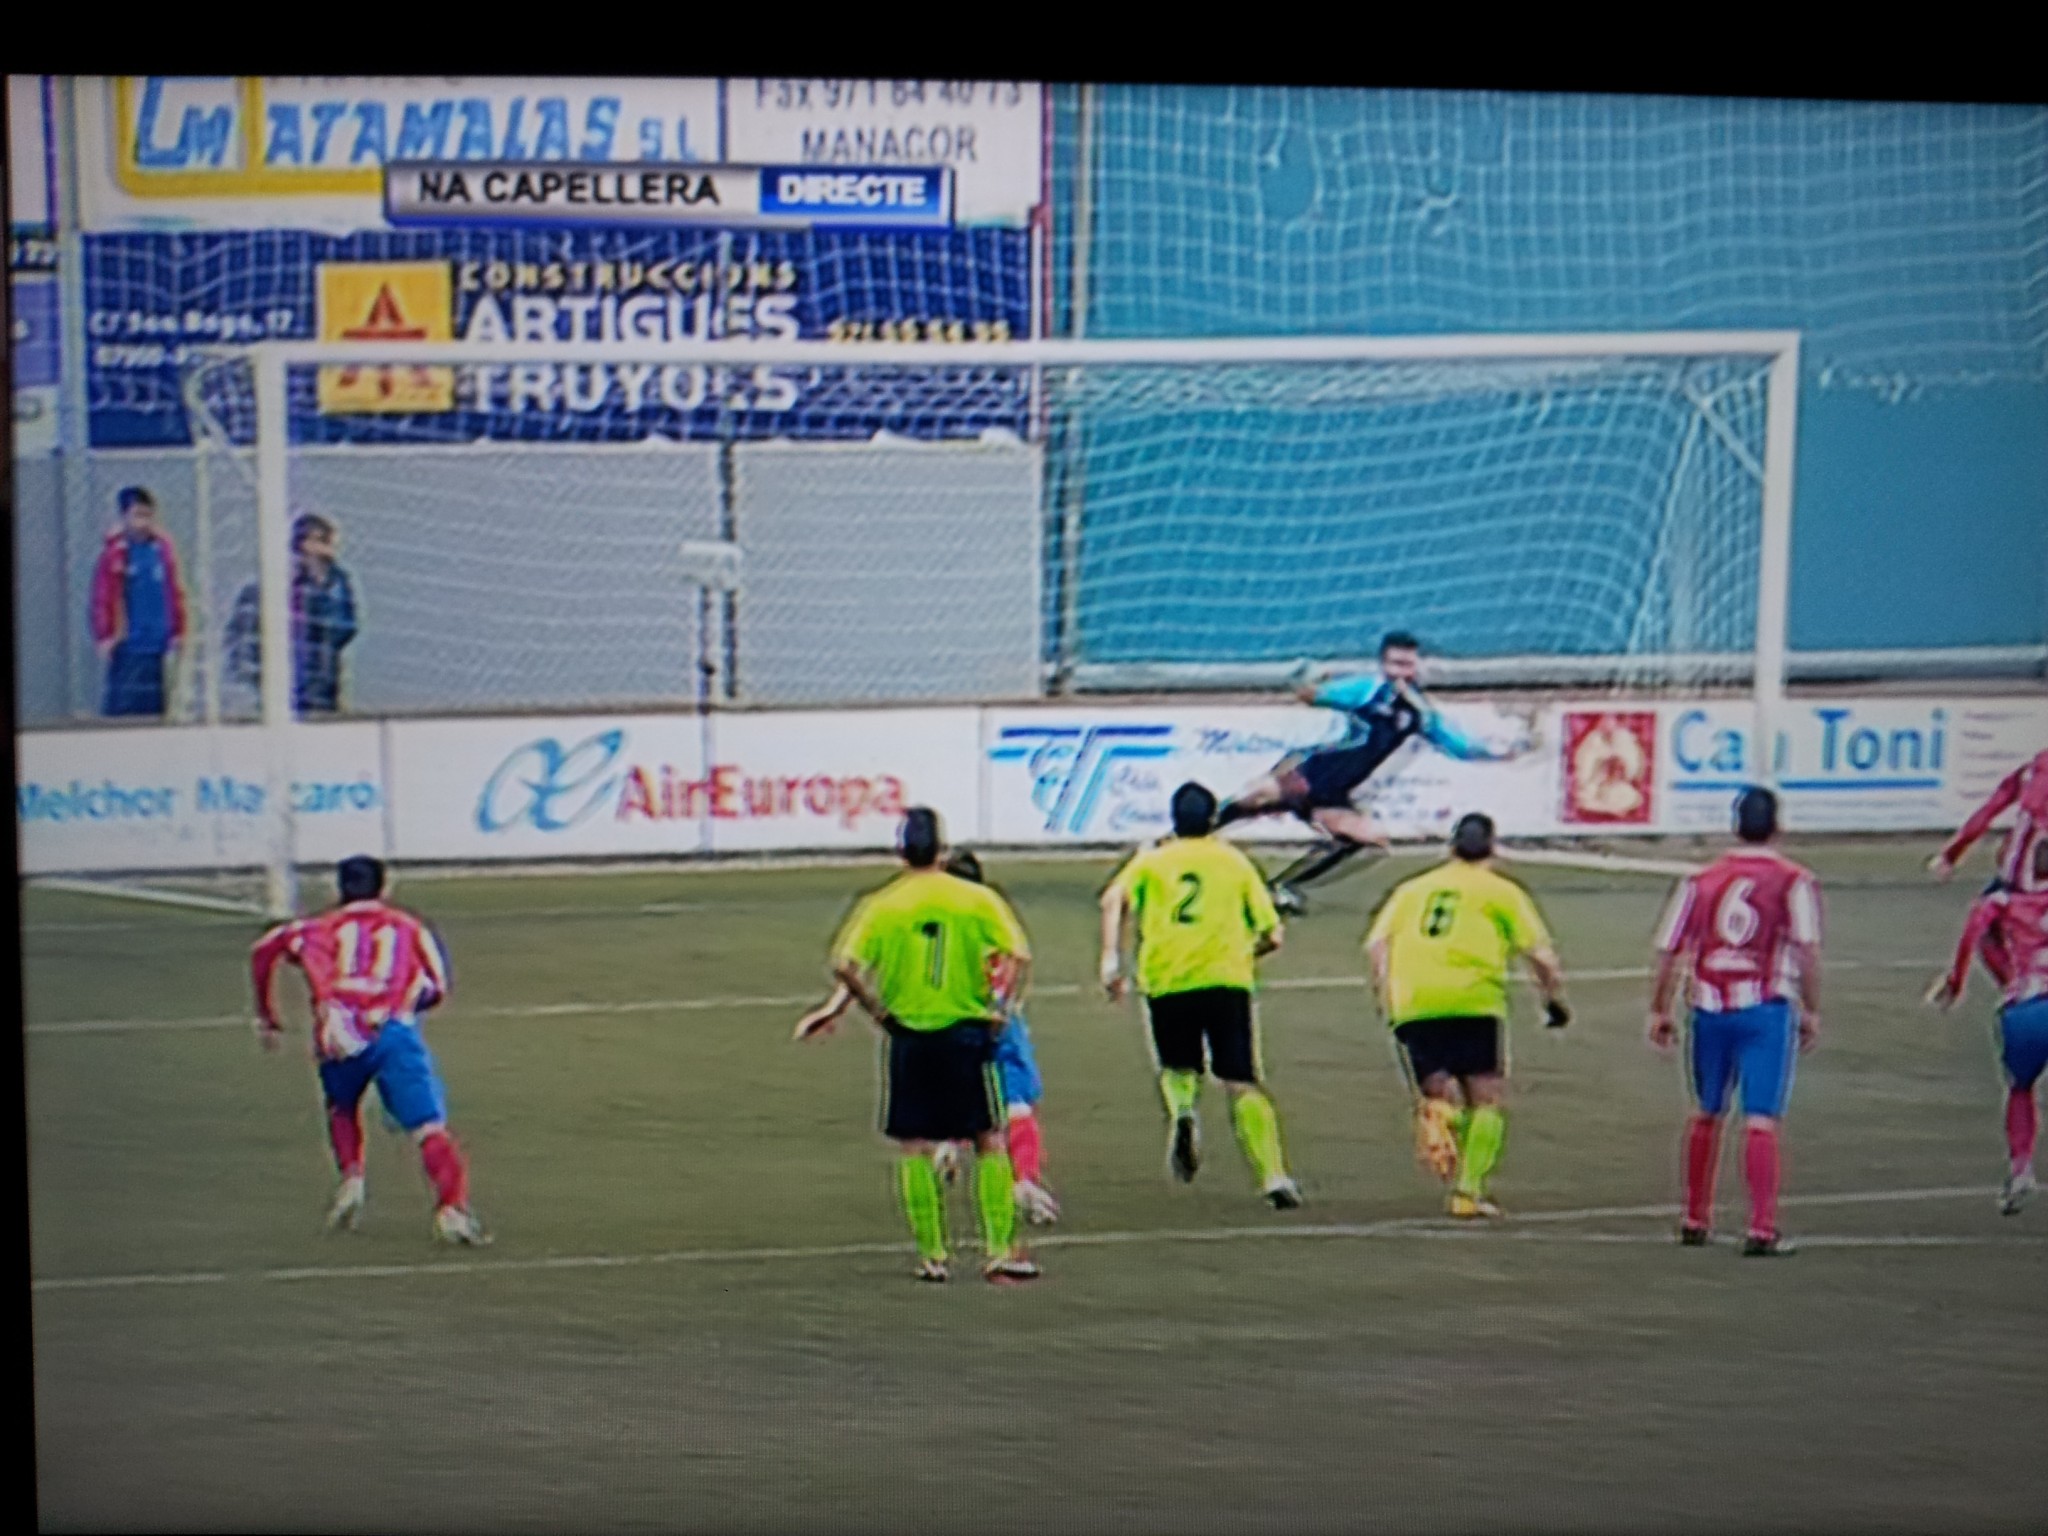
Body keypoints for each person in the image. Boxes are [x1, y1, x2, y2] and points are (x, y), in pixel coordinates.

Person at [802, 807, 1040, 1284]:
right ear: (942, 850)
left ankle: (933, 1256)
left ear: (901, 851)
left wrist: (876, 1010)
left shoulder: (881, 904)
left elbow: (845, 964)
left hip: (909, 1034)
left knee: (914, 1144)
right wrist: (999, 1006)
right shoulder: (976, 898)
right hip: (968, 1031)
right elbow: (1018, 954)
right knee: (989, 1138)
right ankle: (998, 1251)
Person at [251, 856, 486, 1245]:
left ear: (340, 888)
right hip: (390, 1031)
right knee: (429, 1128)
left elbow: (264, 950)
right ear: (383, 887)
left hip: (338, 1032)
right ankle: (451, 1209)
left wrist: (267, 1014)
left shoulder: (315, 928)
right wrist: (404, 1004)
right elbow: (437, 988)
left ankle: (352, 1179)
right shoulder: (409, 927)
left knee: (342, 1107)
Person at [1214, 631, 1537, 914]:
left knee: (1372, 842)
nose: (1402, 672)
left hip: (1335, 796)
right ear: (1383, 664)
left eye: (1407, 665)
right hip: (1309, 773)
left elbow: (1459, 745)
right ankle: (1191, 835)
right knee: (1252, 797)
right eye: (1395, 664)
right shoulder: (1366, 690)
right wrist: (1304, 678)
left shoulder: (1420, 712)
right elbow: (1313, 695)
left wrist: (1504, 752)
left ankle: (1280, 887)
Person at [1100, 781, 1301, 1209]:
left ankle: (1184, 1114)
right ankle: (1274, 1177)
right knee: (1241, 1080)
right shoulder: (1234, 862)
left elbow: (1112, 899)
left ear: (1174, 819)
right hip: (1226, 980)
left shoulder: (1152, 861)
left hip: (1167, 978)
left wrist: (1110, 960)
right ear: (1213, 820)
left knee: (1178, 1064)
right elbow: (1273, 934)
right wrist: (1246, 953)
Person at [1365, 812, 1569, 1219]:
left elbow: (1376, 946)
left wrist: (1385, 994)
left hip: (1414, 1001)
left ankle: (1440, 1116)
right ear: (1493, 848)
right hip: (1474, 1000)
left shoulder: (1411, 889)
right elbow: (1541, 956)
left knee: (1438, 1088)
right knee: (1487, 1096)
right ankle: (1467, 1194)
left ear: (1451, 846)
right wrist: (1552, 1000)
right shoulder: (1502, 891)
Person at [1648, 787, 1822, 1257]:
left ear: (1734, 826)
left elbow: (1669, 949)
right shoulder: (1794, 880)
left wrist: (1659, 1008)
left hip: (1708, 1008)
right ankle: (1761, 1227)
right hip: (1764, 1008)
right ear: (1778, 827)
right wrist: (1811, 1008)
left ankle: (1694, 1217)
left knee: (1706, 1111)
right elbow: (1806, 948)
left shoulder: (1700, 880)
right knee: (1760, 1117)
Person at [1926, 840, 2048, 1216]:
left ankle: (2021, 1169)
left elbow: (1973, 934)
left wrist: (1955, 982)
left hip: (2024, 1009)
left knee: (2020, 1089)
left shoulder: (2001, 902)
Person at [225, 511, 360, 716]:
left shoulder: (334, 584)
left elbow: (343, 627)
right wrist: (254, 674)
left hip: (321, 689)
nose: (328, 552)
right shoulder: (267, 586)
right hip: (274, 688)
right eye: (322, 542)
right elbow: (242, 634)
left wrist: (324, 584)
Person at [89, 486, 187, 718]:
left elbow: (174, 590)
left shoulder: (161, 550)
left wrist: (178, 629)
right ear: (124, 517)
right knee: (125, 707)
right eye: (137, 516)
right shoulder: (115, 554)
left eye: (147, 515)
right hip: (129, 645)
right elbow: (102, 596)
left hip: (158, 645)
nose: (142, 523)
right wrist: (105, 634)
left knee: (154, 708)